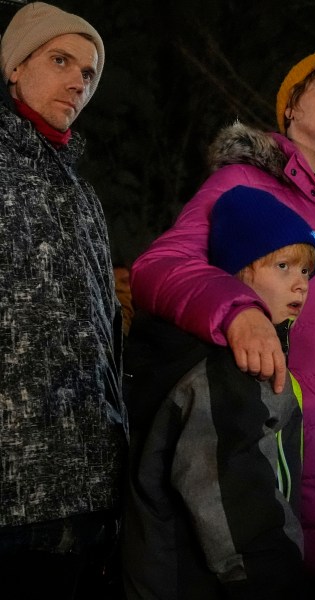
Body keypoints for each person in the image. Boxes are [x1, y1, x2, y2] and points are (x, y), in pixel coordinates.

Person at [130, 42, 315, 584]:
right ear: (290, 108)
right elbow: (158, 266)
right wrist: (237, 311)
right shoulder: (245, 184)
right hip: (287, 464)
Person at [121, 185, 315, 600]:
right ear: (238, 271)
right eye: (283, 266)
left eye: (306, 271)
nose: (300, 284)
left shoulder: (251, 357)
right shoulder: (226, 367)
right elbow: (235, 501)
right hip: (200, 582)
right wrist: (275, 581)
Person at [0, 3, 128, 598]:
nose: (79, 80)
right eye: (61, 60)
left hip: (89, 494)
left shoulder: (80, 194)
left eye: (90, 72)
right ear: (15, 67)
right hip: (14, 495)